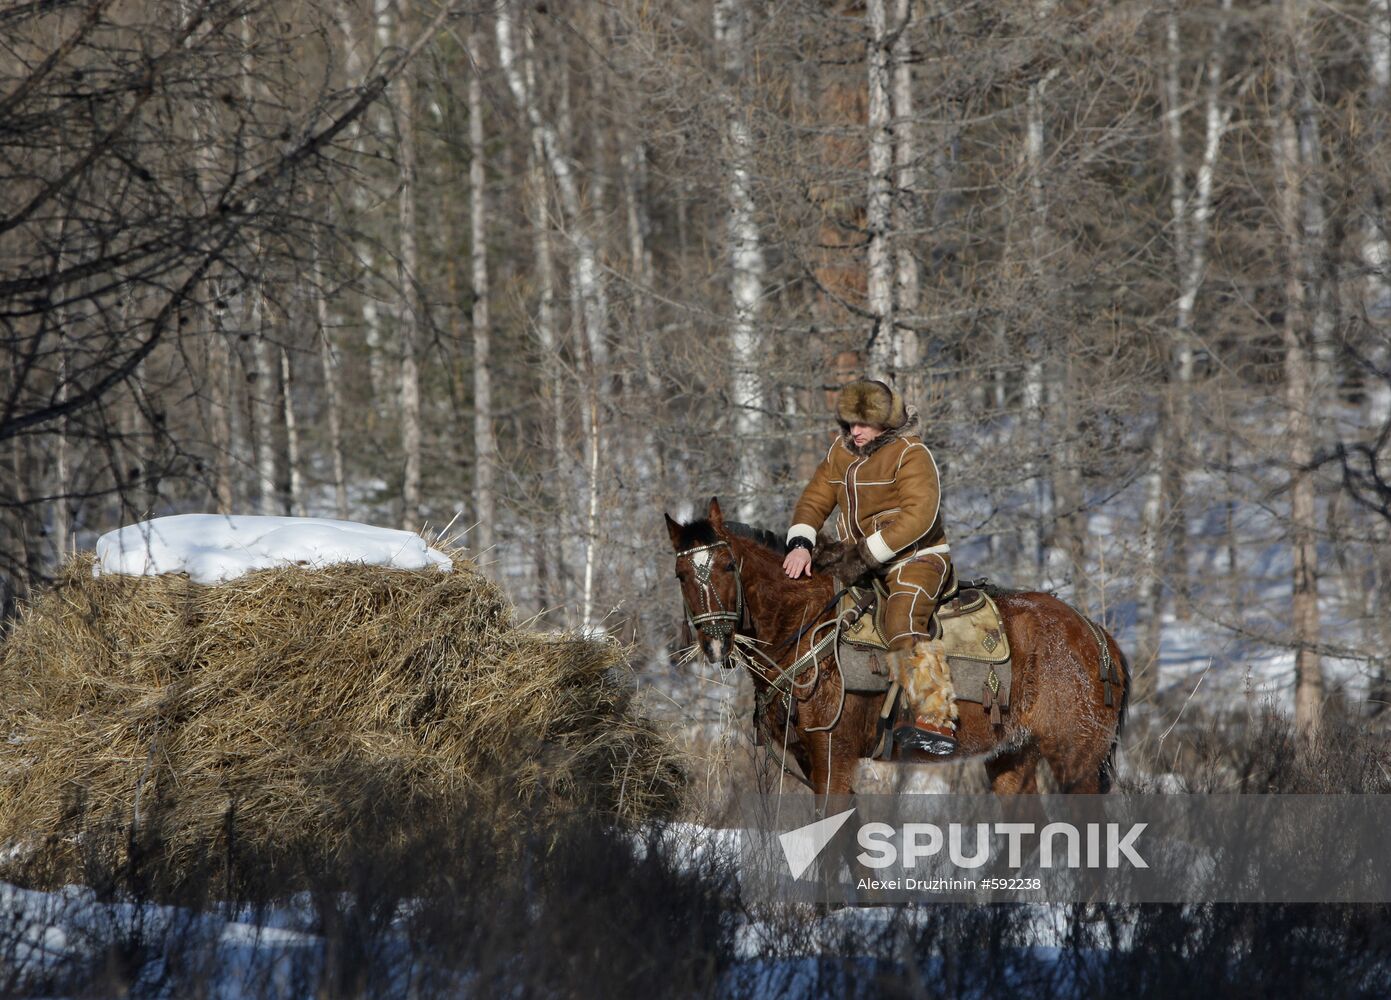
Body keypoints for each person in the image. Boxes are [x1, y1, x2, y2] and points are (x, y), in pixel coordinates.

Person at [782, 379, 957, 755]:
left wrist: (865, 555)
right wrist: (800, 543)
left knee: (901, 619)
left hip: (917, 557)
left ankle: (932, 715)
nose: (854, 431)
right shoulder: (840, 452)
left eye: (863, 423)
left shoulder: (912, 452)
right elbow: (814, 499)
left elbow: (920, 516)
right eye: (849, 423)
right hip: (857, 561)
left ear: (886, 421)